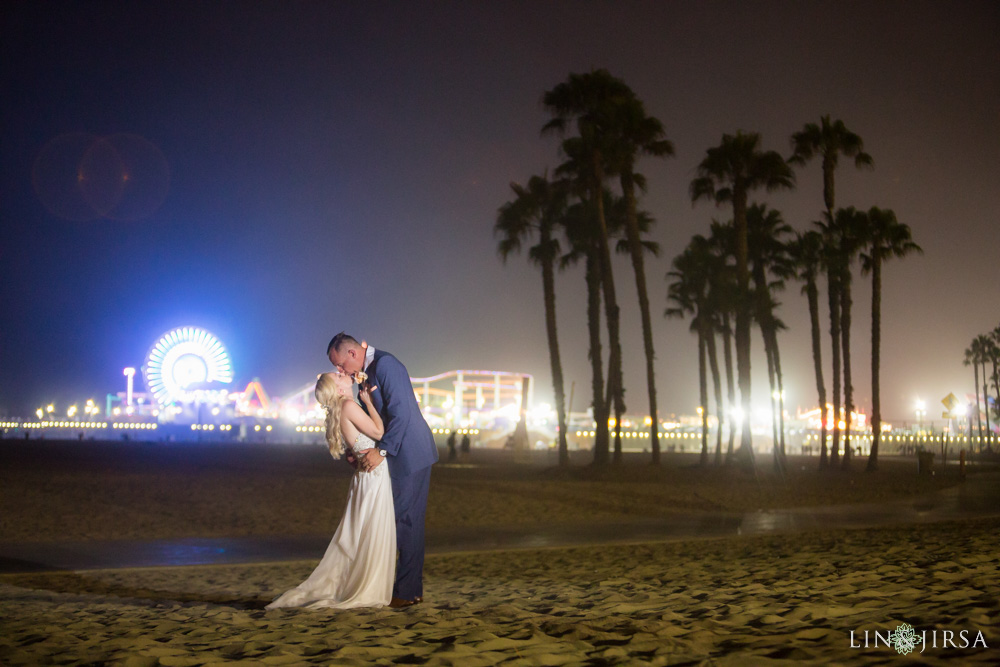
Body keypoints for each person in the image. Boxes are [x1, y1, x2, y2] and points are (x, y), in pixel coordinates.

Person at [266, 371, 395, 610]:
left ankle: (356, 581)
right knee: (369, 532)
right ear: (337, 388)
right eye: (337, 376)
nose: (342, 373)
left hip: (364, 477)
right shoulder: (348, 405)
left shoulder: (342, 408)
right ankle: (366, 585)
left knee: (361, 533)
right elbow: (379, 434)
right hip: (374, 475)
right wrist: (368, 403)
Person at [328, 332, 438, 608]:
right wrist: (363, 450)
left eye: (340, 365)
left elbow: (402, 413)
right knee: (400, 520)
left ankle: (408, 591)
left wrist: (381, 451)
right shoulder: (368, 371)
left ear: (353, 354)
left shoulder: (386, 365)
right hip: (395, 453)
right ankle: (406, 588)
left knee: (407, 522)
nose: (340, 371)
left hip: (410, 453)